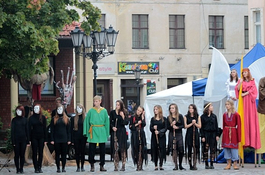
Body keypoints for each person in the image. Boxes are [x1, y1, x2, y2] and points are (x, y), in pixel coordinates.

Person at [235, 68, 261, 149]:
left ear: (248, 73)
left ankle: (252, 141)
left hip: (249, 101)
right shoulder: (240, 80)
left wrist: (246, 93)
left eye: (245, 72)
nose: (244, 73)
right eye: (243, 72)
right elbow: (237, 89)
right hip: (243, 101)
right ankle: (244, 140)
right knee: (244, 119)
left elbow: (254, 90)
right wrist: (241, 82)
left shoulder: (252, 81)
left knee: (251, 119)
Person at [83, 95, 110, 172]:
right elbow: (87, 122)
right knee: (92, 149)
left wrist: (107, 133)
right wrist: (87, 132)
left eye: (96, 101)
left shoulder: (104, 111)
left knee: (102, 150)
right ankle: (92, 165)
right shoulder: (91, 111)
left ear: (100, 101)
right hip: (93, 131)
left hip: (101, 131)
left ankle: (102, 165)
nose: (95, 103)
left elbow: (106, 122)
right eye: (94, 101)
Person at [50, 104, 71, 173]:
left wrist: (69, 139)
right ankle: (58, 167)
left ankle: (63, 167)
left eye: (61, 109)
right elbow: (52, 130)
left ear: (63, 110)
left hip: (64, 138)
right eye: (58, 109)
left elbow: (68, 130)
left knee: (64, 154)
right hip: (56, 139)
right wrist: (52, 139)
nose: (59, 111)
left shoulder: (66, 119)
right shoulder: (54, 119)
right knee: (57, 154)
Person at [110, 100, 129, 171]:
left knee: (122, 148)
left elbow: (126, 123)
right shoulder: (112, 112)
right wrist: (112, 127)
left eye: (118, 105)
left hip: (122, 131)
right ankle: (116, 164)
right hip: (115, 131)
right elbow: (110, 122)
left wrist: (123, 116)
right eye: (116, 105)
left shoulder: (124, 112)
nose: (117, 106)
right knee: (115, 148)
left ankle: (123, 164)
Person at [222, 100, 241, 170]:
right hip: (226, 132)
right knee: (226, 148)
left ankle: (235, 163)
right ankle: (228, 163)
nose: (227, 106)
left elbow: (239, 126)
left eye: (228, 104)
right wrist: (224, 133)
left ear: (231, 105)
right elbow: (224, 125)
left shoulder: (236, 114)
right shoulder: (224, 115)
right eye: (226, 104)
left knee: (234, 148)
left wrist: (239, 137)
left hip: (233, 132)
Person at [28, 104, 47, 173]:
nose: (36, 110)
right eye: (35, 108)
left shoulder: (43, 117)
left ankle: (39, 166)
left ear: (40, 109)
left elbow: (45, 128)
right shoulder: (31, 118)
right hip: (34, 137)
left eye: (37, 108)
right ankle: (35, 167)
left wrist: (45, 139)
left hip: (41, 136)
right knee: (34, 152)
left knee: (41, 152)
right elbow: (29, 129)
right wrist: (29, 139)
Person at [11, 105, 30, 174]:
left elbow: (27, 130)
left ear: (22, 112)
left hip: (23, 139)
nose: (18, 112)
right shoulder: (14, 120)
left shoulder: (25, 120)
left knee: (22, 154)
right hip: (16, 139)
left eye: (20, 111)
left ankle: (21, 168)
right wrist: (13, 141)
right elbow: (12, 131)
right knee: (17, 155)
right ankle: (17, 169)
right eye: (17, 110)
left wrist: (28, 141)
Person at [167, 103, 186, 171]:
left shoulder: (180, 116)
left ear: (176, 109)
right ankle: (175, 165)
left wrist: (177, 127)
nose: (171, 109)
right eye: (170, 108)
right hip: (172, 134)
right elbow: (167, 127)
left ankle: (180, 164)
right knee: (174, 150)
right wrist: (171, 124)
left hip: (178, 134)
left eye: (173, 108)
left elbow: (183, 125)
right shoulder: (168, 117)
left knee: (180, 149)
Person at [200, 103, 219, 169]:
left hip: (213, 134)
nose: (212, 107)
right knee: (205, 149)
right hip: (206, 133)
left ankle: (211, 163)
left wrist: (217, 134)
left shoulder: (214, 116)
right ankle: (206, 163)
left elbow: (216, 126)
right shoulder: (202, 117)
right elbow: (201, 127)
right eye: (211, 106)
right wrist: (202, 136)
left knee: (212, 149)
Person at [129, 106, 147, 171]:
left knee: (142, 149)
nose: (138, 112)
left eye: (140, 111)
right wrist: (137, 124)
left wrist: (142, 118)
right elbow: (131, 127)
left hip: (141, 134)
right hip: (134, 135)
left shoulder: (142, 117)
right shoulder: (132, 117)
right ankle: (137, 164)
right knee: (135, 149)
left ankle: (141, 164)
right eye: (138, 110)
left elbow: (144, 124)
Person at [184, 104, 201, 170]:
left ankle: (195, 163)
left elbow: (200, 126)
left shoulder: (197, 116)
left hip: (195, 133)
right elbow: (185, 126)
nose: (190, 109)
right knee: (189, 148)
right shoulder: (186, 116)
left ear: (194, 109)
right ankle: (190, 163)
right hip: (189, 133)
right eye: (189, 108)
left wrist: (195, 124)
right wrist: (191, 123)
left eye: (192, 108)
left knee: (195, 148)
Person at [150, 105, 167, 171]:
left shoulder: (164, 119)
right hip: (154, 137)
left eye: (156, 109)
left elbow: (165, 128)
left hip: (161, 137)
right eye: (154, 109)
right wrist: (153, 128)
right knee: (155, 149)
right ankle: (156, 164)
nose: (155, 110)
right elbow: (150, 128)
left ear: (159, 110)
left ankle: (161, 164)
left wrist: (159, 132)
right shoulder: (153, 119)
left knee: (161, 149)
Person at [70, 104, 87, 172]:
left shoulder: (85, 118)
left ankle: (82, 166)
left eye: (80, 108)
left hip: (83, 137)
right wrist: (72, 139)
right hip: (76, 137)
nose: (79, 109)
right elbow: (71, 129)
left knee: (82, 152)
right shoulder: (73, 118)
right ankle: (78, 166)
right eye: (77, 108)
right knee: (77, 152)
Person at [257, 77, 265, 154]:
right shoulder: (262, 80)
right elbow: (261, 90)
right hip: (263, 109)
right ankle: (261, 152)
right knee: (261, 130)